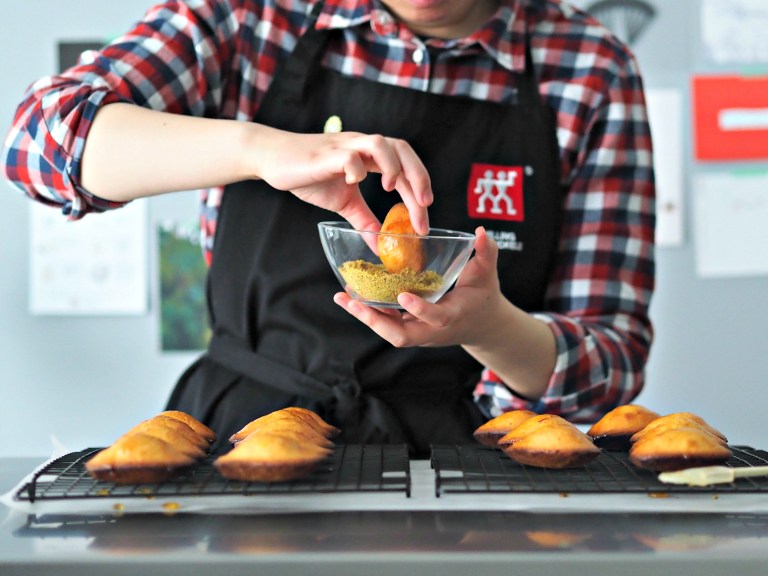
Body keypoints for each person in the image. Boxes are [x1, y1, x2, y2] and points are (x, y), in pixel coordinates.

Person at [1, 0, 655, 457]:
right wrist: (260, 149)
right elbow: (39, 143)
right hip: (242, 437)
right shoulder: (253, 17)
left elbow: (612, 362)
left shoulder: (590, 67)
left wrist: (493, 330)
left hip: (461, 467)